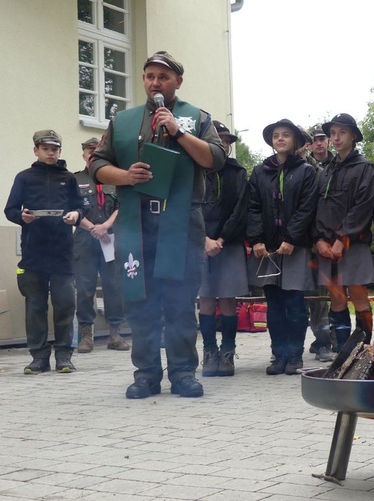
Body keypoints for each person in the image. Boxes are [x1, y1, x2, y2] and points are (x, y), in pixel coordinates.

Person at [91, 51, 226, 398]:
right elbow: (97, 164)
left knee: (180, 303)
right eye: (150, 76)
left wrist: (178, 131)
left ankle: (183, 373)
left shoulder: (196, 117)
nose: (155, 83)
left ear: (177, 82)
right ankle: (146, 374)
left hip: (181, 224)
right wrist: (124, 175)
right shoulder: (122, 120)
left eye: (163, 77)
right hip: (136, 225)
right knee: (141, 302)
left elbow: (215, 159)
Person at [4, 130, 83, 374]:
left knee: (65, 305)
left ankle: (63, 356)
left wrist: (76, 215)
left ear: (60, 151)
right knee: (35, 307)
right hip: (33, 252)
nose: (51, 153)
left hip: (62, 253)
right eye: (46, 148)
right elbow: (10, 209)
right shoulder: (24, 177)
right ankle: (38, 357)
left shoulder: (68, 178)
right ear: (36, 150)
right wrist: (22, 217)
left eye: (55, 149)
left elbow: (81, 207)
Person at [248, 119, 318, 375]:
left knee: (295, 303)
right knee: (274, 305)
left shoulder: (306, 171)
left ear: (295, 140)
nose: (280, 139)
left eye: (286, 135)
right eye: (276, 135)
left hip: (295, 247)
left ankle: (295, 356)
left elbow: (307, 208)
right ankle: (278, 355)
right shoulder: (260, 172)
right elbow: (253, 207)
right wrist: (256, 239)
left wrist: (291, 238)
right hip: (267, 250)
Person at [316, 113, 374, 351]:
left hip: (354, 244)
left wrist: (343, 238)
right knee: (337, 298)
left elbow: (363, 206)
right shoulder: (325, 171)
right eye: (332, 133)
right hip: (327, 248)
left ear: (353, 136)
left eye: (342, 132)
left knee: (358, 295)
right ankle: (342, 351)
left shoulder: (365, 168)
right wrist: (319, 239)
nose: (336, 137)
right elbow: (317, 207)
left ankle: (363, 350)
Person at [197, 120, 249, 377]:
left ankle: (227, 352)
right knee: (205, 298)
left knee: (228, 298)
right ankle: (209, 352)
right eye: (220, 140)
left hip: (228, 243)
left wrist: (222, 239)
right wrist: (204, 239)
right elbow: (189, 206)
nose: (224, 145)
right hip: (200, 243)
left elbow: (240, 209)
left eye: (228, 142)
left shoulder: (237, 172)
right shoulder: (194, 169)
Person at [73, 137, 128, 354]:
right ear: (84, 155)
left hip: (110, 239)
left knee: (114, 287)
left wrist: (105, 226)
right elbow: (70, 208)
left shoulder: (113, 179)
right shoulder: (75, 179)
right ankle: (87, 336)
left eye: (96, 151)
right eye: (89, 151)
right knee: (85, 288)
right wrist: (93, 228)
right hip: (85, 239)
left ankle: (115, 334)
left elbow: (122, 206)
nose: (92, 154)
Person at [305, 123, 334, 362]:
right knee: (316, 295)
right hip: (310, 240)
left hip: (335, 238)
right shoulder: (305, 167)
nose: (319, 142)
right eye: (314, 139)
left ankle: (336, 338)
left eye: (322, 138)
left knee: (337, 293)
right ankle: (323, 340)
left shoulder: (338, 164)